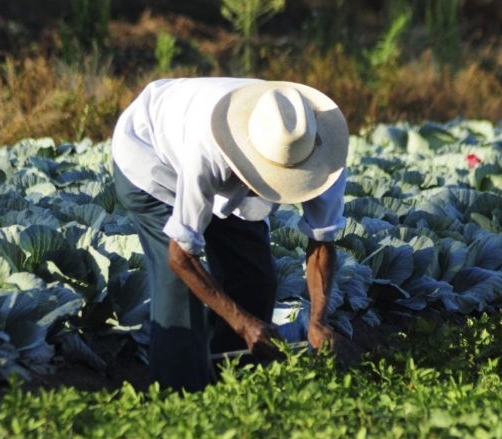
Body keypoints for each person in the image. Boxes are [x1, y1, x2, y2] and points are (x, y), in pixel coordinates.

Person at [111, 77, 348, 391]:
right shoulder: (207, 150)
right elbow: (180, 256)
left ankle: (233, 384)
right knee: (179, 294)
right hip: (151, 157)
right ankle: (181, 401)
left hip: (226, 166)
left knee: (255, 279)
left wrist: (318, 319)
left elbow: (322, 240)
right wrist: (242, 323)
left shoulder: (321, 153)